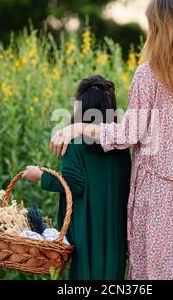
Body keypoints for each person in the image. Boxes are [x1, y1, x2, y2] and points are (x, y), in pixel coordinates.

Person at [49, 0, 173, 279]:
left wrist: (78, 126)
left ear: (158, 27)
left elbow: (128, 134)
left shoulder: (147, 74)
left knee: (155, 269)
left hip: (156, 191)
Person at [23, 75, 131, 280]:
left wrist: (40, 176)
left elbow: (73, 184)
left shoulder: (74, 143)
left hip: (87, 233)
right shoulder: (121, 147)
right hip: (115, 233)